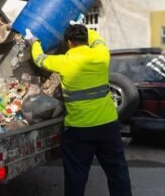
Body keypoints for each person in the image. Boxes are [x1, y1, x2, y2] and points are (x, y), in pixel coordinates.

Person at [25, 20, 132, 196]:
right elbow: (98, 41)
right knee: (118, 172)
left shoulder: (64, 61)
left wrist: (33, 41)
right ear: (85, 39)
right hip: (108, 126)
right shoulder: (101, 54)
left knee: (76, 178)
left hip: (79, 130)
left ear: (68, 43)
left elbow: (39, 59)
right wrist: (86, 29)